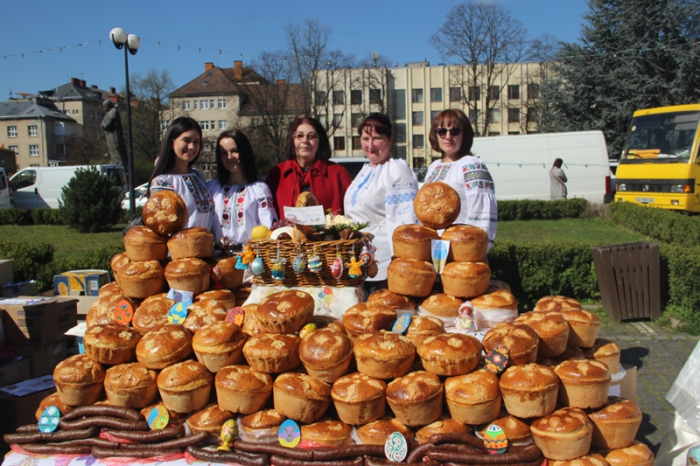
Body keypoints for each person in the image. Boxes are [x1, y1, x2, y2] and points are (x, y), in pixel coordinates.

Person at [344, 114, 418, 291]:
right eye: (365, 138)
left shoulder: (396, 170)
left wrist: (402, 261)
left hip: (382, 265)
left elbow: (405, 220)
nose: (370, 145)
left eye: (377, 138)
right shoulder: (366, 170)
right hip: (357, 261)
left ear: (389, 140)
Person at [424, 109, 497, 250]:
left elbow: (483, 213)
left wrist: (474, 250)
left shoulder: (472, 165)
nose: (448, 136)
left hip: (461, 246)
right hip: (435, 248)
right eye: (442, 131)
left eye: (455, 131)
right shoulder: (434, 167)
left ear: (465, 134)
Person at [266, 116, 352, 220]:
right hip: (285, 235)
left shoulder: (338, 173)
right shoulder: (276, 174)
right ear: (292, 140)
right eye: (299, 136)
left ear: (320, 141)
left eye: (311, 137)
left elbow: (351, 214)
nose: (305, 140)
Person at [207, 129, 277, 245]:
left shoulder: (259, 190)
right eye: (224, 153)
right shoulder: (212, 188)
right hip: (219, 257)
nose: (229, 157)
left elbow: (268, 227)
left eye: (235, 151)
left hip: (250, 256)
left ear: (244, 152)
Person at [148, 117, 214, 230]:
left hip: (204, 244)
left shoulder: (198, 176)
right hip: (179, 246)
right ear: (171, 143)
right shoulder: (162, 182)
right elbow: (162, 225)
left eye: (196, 142)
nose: (192, 147)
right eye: (186, 140)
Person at [101, 100, 127, 167]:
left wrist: (104, 125)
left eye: (105, 106)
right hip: (109, 134)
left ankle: (120, 160)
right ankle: (114, 160)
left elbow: (108, 123)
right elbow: (103, 123)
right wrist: (104, 125)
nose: (104, 108)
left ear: (108, 105)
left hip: (114, 134)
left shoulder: (114, 111)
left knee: (116, 146)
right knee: (111, 147)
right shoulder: (108, 113)